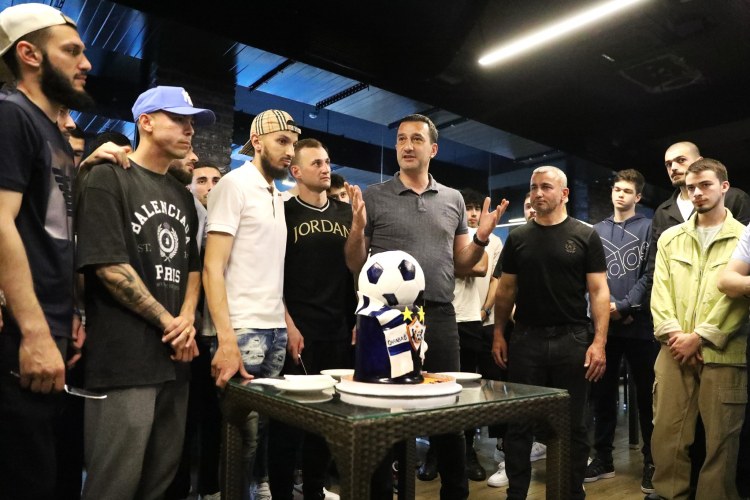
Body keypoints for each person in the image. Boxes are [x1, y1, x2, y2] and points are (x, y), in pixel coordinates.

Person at [345, 113, 507, 499]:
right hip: (387, 318)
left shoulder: (452, 199)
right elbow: (354, 263)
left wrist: (481, 239)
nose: (407, 146)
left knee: (447, 413)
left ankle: (456, 493)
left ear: (433, 149)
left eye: (416, 139)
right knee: (384, 413)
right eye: (401, 139)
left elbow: (463, 264)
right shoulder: (374, 196)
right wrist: (357, 227)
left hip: (440, 314)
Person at [76, 85, 214, 499]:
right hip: (124, 359)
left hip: (175, 359)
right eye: (179, 119)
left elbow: (193, 267)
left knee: (159, 483)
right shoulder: (107, 176)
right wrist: (171, 322)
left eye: (192, 122)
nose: (190, 129)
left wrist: (186, 318)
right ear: (146, 122)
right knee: (113, 485)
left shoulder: (181, 196)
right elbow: (108, 265)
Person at [0, 4, 92, 497]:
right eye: (72, 51)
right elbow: (0, 223)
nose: (86, 63)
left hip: (51, 327)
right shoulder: (11, 114)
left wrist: (69, 313)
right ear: (29, 54)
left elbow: (52, 231)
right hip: (20, 334)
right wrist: (35, 332)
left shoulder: (51, 129)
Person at [492, 166, 609, 500]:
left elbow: (599, 291)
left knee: (573, 425)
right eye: (533, 187)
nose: (538, 193)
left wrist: (599, 342)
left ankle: (570, 493)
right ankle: (516, 494)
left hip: (572, 340)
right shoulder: (518, 238)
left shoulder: (585, 235)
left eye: (546, 187)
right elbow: (506, 290)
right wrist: (499, 333)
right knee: (519, 424)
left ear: (564, 194)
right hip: (525, 339)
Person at [203, 109, 300, 497]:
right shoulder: (234, 185)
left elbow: (268, 269)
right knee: (240, 441)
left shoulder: (276, 195)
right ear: (257, 142)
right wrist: (226, 340)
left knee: (261, 439)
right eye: (282, 141)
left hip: (274, 329)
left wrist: (287, 323)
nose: (289, 151)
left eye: (293, 143)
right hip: (241, 329)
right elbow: (212, 267)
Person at [650, 158, 748, 500]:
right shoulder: (670, 238)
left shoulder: (744, 237)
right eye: (690, 187)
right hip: (673, 349)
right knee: (667, 434)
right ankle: (669, 495)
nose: (696, 193)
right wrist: (676, 336)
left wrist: (701, 336)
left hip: (724, 350)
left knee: (722, 439)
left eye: (705, 184)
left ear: (724, 187)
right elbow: (659, 291)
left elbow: (738, 298)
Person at [267, 138, 351, 500]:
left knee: (326, 422)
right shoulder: (283, 211)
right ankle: (282, 493)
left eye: (327, 162)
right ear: (296, 171)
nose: (325, 168)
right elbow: (271, 272)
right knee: (289, 424)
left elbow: (355, 270)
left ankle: (315, 490)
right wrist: (287, 323)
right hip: (299, 331)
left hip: (338, 330)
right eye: (316, 163)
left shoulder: (346, 213)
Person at [587, 169, 658, 494]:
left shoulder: (650, 227)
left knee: (646, 398)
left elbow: (651, 273)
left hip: (640, 327)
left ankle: (651, 462)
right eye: (617, 189)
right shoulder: (597, 230)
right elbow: (590, 278)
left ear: (638, 196)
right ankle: (603, 459)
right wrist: (609, 309)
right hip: (606, 328)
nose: (620, 195)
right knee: (602, 396)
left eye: (627, 191)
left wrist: (626, 307)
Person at [452, 188, 494, 482]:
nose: (472, 212)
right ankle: (435, 452)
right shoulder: (444, 232)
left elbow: (480, 267)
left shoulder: (481, 238)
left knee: (467, 390)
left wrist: (454, 263)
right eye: (467, 207)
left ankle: (467, 451)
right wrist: (461, 264)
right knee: (436, 387)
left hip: (469, 317)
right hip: (438, 317)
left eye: (475, 207)